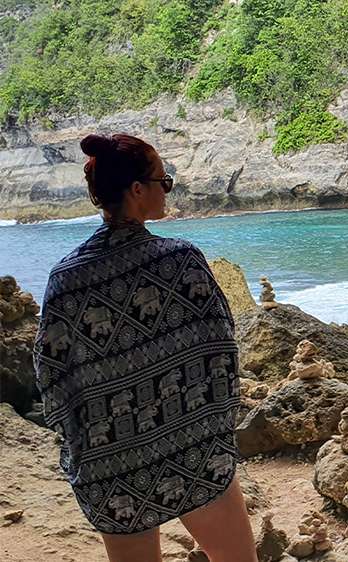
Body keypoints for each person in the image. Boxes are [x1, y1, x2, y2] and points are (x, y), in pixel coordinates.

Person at [32, 133, 258, 562]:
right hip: (193, 450)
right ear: (138, 191)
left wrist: (85, 446)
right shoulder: (179, 259)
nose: (167, 191)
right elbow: (221, 348)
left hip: (112, 468)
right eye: (163, 182)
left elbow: (51, 378)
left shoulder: (65, 279)